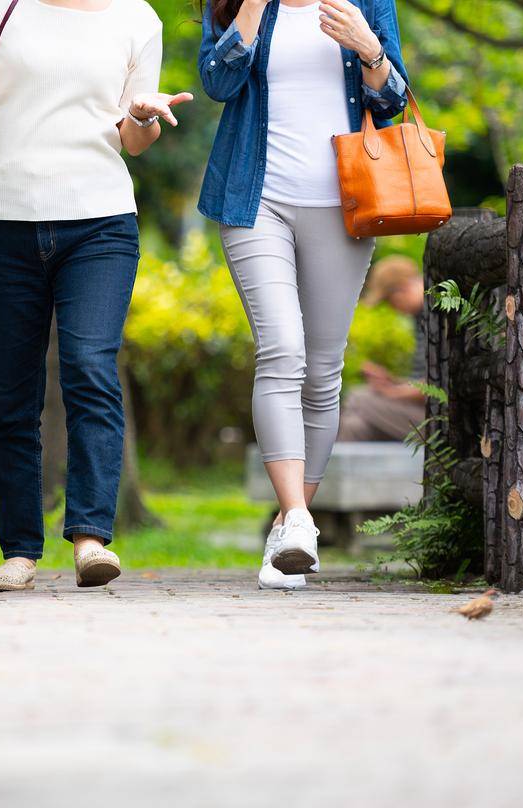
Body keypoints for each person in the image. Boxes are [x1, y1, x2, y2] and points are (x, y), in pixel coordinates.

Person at [0, 0, 192, 592]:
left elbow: (134, 139)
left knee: (89, 366)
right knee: (8, 392)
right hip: (0, 218)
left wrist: (146, 117)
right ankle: (19, 548)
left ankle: (91, 538)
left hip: (99, 221)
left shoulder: (137, 18)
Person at [197, 0, 410, 590]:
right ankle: (295, 517)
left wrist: (369, 47)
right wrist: (244, 13)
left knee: (322, 370)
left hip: (346, 204)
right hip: (253, 201)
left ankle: (293, 530)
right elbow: (216, 82)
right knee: (281, 348)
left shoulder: (366, 4)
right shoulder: (242, 6)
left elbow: (392, 100)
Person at [339, 256, 428, 442]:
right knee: (354, 425)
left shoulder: (437, 313)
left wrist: (393, 392)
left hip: (440, 420)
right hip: (420, 413)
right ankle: (345, 472)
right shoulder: (419, 317)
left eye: (390, 300)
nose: (393, 307)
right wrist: (391, 381)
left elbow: (438, 386)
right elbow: (425, 380)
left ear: (403, 289)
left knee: (358, 398)